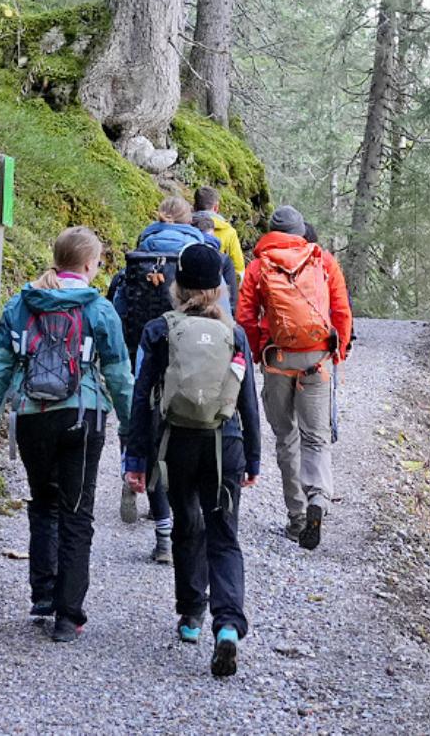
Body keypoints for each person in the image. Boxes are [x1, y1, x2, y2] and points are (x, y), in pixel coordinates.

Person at [0, 226, 134, 642]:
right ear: (87, 264)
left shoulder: (20, 304)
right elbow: (119, 375)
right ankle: (69, 615)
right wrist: (134, 431)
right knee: (77, 513)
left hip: (32, 416)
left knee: (43, 502)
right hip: (83, 418)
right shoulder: (99, 309)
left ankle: (43, 594)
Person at [123, 242, 260, 677]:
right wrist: (254, 457)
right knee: (224, 534)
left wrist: (136, 457)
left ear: (178, 285)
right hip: (227, 443)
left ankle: (191, 616)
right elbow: (248, 402)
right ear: (219, 288)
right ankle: (228, 627)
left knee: (187, 524)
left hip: (176, 443)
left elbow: (142, 398)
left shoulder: (159, 330)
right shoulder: (234, 334)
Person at [236, 205, 352, 550]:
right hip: (317, 359)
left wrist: (258, 352)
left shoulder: (258, 267)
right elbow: (342, 311)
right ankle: (319, 497)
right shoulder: (323, 261)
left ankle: (298, 518)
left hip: (278, 360)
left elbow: (244, 318)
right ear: (301, 231)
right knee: (315, 438)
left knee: (286, 437)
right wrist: (338, 351)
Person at [110, 197, 209, 564]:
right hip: (192, 350)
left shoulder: (140, 251)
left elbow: (118, 308)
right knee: (182, 430)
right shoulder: (201, 248)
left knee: (144, 421)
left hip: (145, 343)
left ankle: (135, 473)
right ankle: (181, 513)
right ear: (190, 221)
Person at [194, 186, 245, 281]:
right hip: (217, 289)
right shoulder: (229, 232)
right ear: (216, 207)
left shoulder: (186, 226)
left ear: (194, 206)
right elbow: (239, 270)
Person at [192, 210, 239, 313]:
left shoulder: (182, 254)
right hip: (216, 317)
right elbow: (232, 301)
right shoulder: (223, 259)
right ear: (212, 232)